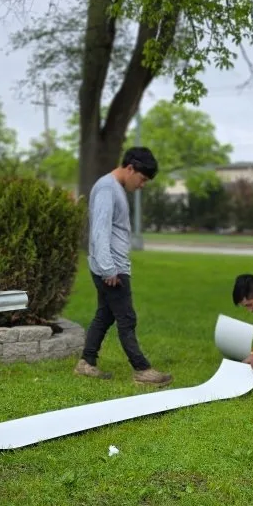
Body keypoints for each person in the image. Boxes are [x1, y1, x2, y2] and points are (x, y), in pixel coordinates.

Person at [75, 147, 172, 387]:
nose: (142, 185)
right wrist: (108, 269)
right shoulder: (108, 188)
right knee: (126, 318)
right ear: (130, 168)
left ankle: (86, 363)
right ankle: (142, 369)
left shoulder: (113, 187)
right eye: (142, 179)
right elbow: (99, 231)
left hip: (111, 266)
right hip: (112, 269)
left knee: (105, 315)